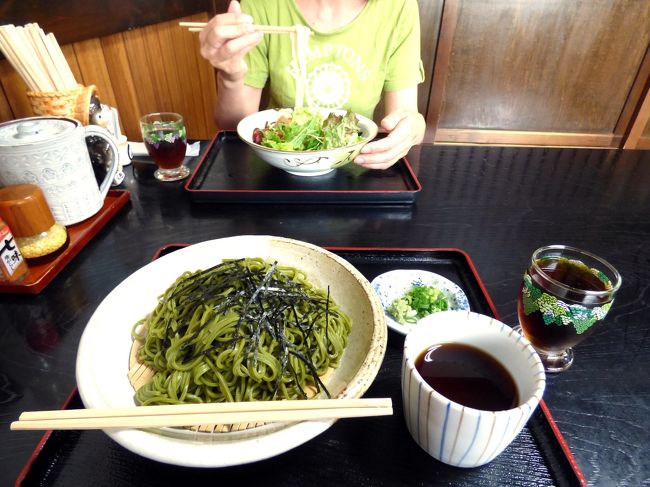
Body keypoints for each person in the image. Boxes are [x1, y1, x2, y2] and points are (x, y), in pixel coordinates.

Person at [199, 0, 425, 170]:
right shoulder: (261, 5)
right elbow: (232, 125)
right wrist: (230, 77)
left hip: (354, 168)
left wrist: (413, 128)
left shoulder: (397, 6)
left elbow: (404, 117)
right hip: (276, 170)